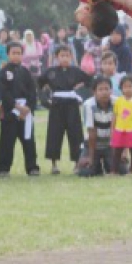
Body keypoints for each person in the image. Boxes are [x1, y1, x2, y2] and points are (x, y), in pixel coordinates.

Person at [38, 45, 92, 174]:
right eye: (62, 56)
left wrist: (79, 93)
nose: (65, 58)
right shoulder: (50, 71)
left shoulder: (76, 71)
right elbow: (39, 84)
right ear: (57, 57)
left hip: (72, 104)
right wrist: (45, 99)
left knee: (76, 134)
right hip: (56, 104)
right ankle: (54, 164)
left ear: (71, 57)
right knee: (54, 134)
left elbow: (89, 81)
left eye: (67, 56)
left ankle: (77, 163)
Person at [0, 42, 41, 177]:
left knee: (29, 140)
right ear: (8, 54)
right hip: (10, 111)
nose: (16, 56)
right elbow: (3, 93)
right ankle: (3, 168)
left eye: (19, 53)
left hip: (25, 111)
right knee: (6, 141)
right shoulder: (3, 73)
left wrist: (28, 108)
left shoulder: (25, 72)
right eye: (13, 53)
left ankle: (32, 167)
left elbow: (32, 91)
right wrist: (16, 107)